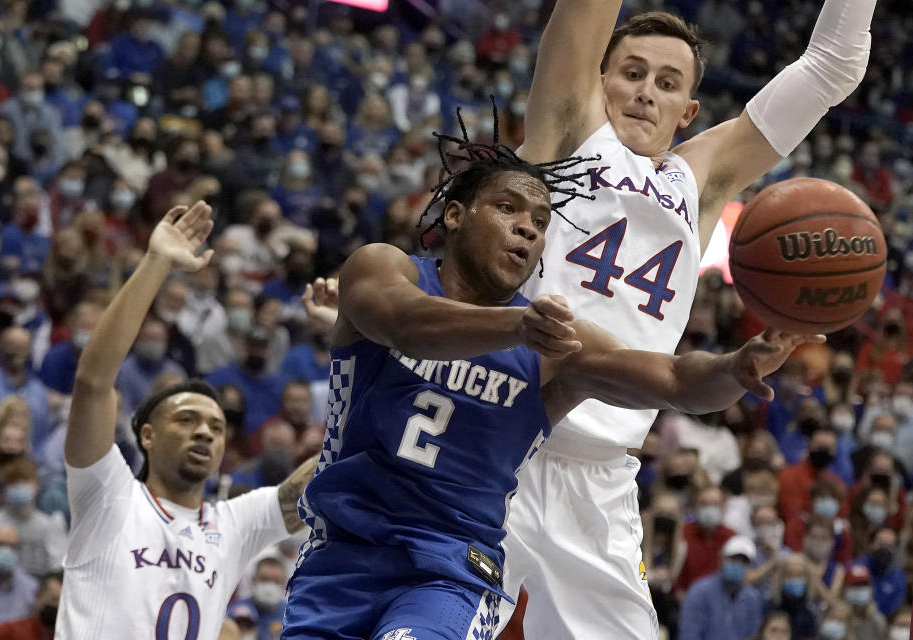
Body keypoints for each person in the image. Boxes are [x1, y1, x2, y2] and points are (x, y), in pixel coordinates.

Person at [282, 123, 817, 639]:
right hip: (339, 555)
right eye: (508, 208)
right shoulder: (383, 268)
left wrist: (735, 369)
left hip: (450, 573)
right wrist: (517, 325)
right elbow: (408, 326)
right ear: (454, 215)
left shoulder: (554, 346)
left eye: (541, 222)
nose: (527, 228)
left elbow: (673, 379)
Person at [501, 0, 877, 636]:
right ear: (597, 79)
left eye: (667, 83)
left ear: (689, 112)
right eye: (632, 73)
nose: (647, 92)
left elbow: (832, 66)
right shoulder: (569, 129)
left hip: (603, 477)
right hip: (498, 434)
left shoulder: (699, 178)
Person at [55, 201, 316, 639]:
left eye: (216, 427)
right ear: (148, 435)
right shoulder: (108, 496)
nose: (204, 432)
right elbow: (94, 381)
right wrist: (157, 262)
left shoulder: (232, 525)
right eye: (187, 420)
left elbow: (328, 469)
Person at [0, 459, 66, 577]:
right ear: (5, 489)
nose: (19, 486)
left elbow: (58, 566)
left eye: (25, 481)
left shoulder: (49, 526)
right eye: (13, 483)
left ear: (37, 486)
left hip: (38, 588)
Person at [678, 535, 763, 640]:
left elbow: (752, 635)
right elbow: (689, 633)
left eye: (743, 562)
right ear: (722, 559)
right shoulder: (699, 592)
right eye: (734, 559)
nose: (738, 564)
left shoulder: (752, 597)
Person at [0, 571, 61, 640]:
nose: (57, 605)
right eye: (53, 599)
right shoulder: (9, 631)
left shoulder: (66, 635)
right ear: (38, 595)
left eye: (61, 602)